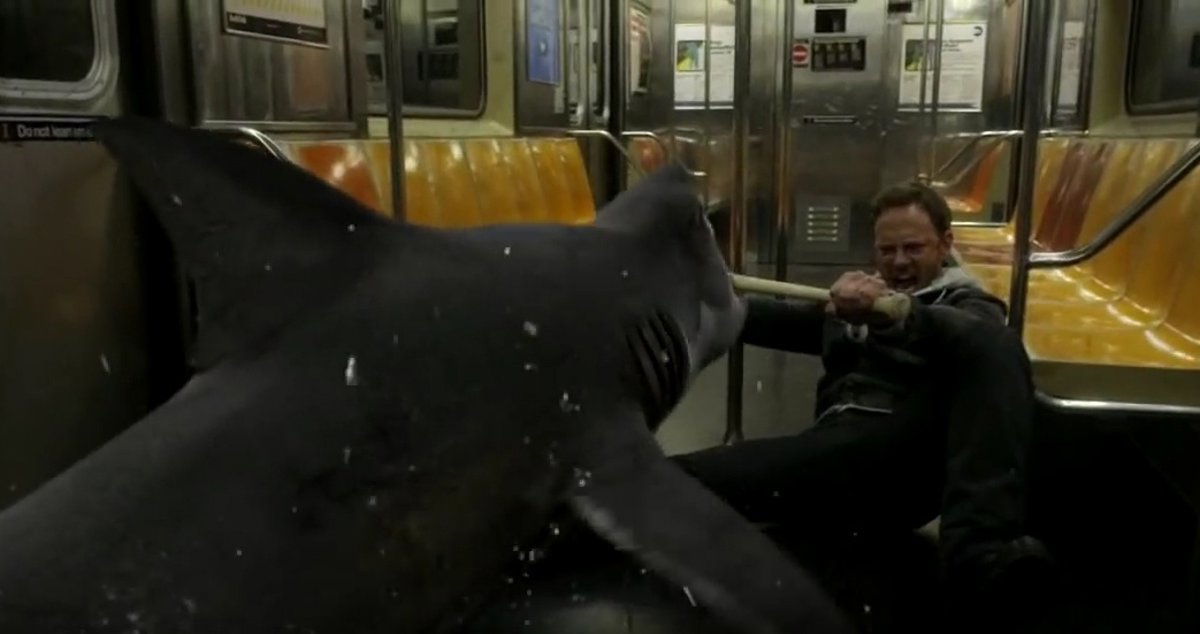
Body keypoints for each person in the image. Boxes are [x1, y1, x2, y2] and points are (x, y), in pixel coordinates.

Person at [674, 181, 1057, 628]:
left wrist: (898, 315)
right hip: (840, 456)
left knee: (996, 346)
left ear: (945, 245)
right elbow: (781, 320)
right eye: (887, 250)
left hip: (900, 455)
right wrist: (700, 301)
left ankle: (979, 555)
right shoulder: (860, 301)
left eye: (913, 248)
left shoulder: (965, 304)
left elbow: (972, 333)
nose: (899, 262)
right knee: (707, 479)